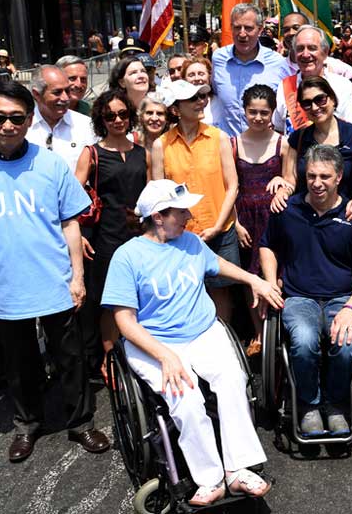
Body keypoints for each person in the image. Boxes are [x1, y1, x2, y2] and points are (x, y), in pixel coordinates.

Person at [0, 80, 109, 462]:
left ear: (29, 119)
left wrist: (78, 277)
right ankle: (27, 424)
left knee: (70, 358)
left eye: (17, 118)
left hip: (55, 281)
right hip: (4, 286)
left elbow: (70, 223)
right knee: (21, 364)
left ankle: (80, 422)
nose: (8, 125)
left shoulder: (50, 164)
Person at [102, 179, 278, 506]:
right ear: (158, 216)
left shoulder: (191, 243)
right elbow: (124, 320)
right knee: (187, 398)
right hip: (154, 341)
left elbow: (217, 264)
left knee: (233, 379)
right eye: (180, 211)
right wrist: (164, 355)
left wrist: (254, 279)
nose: (188, 216)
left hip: (202, 331)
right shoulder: (127, 258)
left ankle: (238, 468)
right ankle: (209, 478)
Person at [260, 145, 352, 436]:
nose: (317, 183)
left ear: (339, 176)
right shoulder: (287, 209)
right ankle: (309, 404)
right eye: (311, 175)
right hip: (300, 296)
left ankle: (337, 403)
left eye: (325, 176)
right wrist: (269, 281)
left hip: (343, 297)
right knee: (302, 342)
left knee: (348, 344)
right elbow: (267, 246)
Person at [151, 80, 239, 322]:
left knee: (221, 291)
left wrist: (219, 225)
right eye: (193, 99)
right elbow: (159, 194)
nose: (201, 102)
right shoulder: (161, 145)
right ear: (175, 109)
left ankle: (225, 339)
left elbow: (232, 186)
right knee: (186, 290)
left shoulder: (219, 137)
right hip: (180, 234)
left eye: (202, 96)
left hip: (220, 230)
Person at [74, 90, 149, 378]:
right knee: (112, 300)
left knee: (140, 297)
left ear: (130, 116)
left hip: (140, 235)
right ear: (100, 119)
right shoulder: (91, 153)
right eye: (110, 115)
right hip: (106, 238)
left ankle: (139, 350)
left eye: (122, 114)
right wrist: (78, 234)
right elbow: (72, 197)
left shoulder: (141, 150)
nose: (117, 120)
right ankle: (110, 359)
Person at [232, 84, 290, 356]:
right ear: (244, 111)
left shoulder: (282, 142)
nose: (257, 117)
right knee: (249, 275)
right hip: (244, 218)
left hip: (274, 217)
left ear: (272, 113)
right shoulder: (232, 144)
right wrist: (235, 222)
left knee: (277, 274)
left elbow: (292, 179)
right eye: (252, 112)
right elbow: (228, 187)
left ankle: (279, 328)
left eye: (264, 113)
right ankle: (258, 331)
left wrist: (282, 181)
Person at [271, 76, 352, 211]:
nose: (315, 107)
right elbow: (290, 180)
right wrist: (284, 191)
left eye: (320, 99)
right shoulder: (297, 139)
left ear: (332, 99)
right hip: (306, 216)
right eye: (307, 103)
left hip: (347, 216)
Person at [211, 3, 288, 136]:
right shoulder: (218, 58)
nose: (242, 34)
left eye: (248, 28)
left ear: (260, 29)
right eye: (237, 27)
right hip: (227, 148)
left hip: (264, 149)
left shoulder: (278, 63)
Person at [273, 25, 352, 134]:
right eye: (300, 49)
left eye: (312, 48)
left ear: (325, 52)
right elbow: (279, 129)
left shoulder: (342, 86)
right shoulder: (285, 85)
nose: (305, 54)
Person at [27, 65, 96, 173]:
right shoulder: (23, 128)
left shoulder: (86, 126)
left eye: (67, 91)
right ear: (37, 94)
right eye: (57, 92)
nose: (65, 98)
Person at [281, 13, 352, 80]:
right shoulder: (278, 68)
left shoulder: (332, 66)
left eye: (296, 28)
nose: (291, 33)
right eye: (286, 30)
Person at [180, 57, 223, 128]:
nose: (197, 78)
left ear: (209, 76)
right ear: (184, 79)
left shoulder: (221, 102)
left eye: (201, 74)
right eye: (191, 75)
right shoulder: (181, 106)